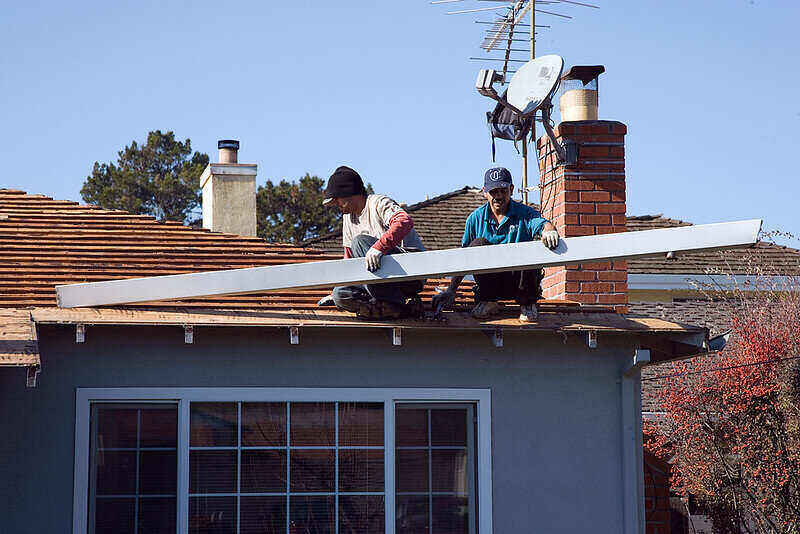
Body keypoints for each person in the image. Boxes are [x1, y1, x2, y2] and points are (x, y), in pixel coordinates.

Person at [432, 167, 560, 322]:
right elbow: (464, 259)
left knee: (531, 245)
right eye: (494, 192)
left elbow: (542, 224)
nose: (498, 196)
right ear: (485, 192)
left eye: (503, 190)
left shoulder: (525, 213)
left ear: (511, 190)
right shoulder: (475, 219)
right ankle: (489, 301)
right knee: (477, 244)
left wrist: (549, 230)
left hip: (519, 283)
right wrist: (451, 290)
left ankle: (527, 304)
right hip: (489, 285)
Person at [320, 165, 426, 319]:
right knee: (340, 293)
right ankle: (396, 308)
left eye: (337, 199)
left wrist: (379, 247)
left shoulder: (377, 203)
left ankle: (394, 303)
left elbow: (404, 221)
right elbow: (349, 258)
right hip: (378, 280)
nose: (336, 204)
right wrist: (341, 288)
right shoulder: (347, 218)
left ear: (349, 193)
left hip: (408, 275)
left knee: (359, 242)